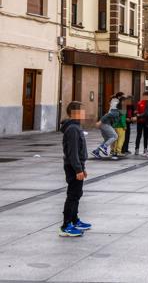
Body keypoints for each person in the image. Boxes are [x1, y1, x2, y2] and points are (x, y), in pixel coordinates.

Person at [59, 101, 92, 237]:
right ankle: (66, 225)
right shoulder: (72, 129)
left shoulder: (76, 127)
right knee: (73, 195)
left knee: (77, 194)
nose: (84, 114)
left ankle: (74, 220)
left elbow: (78, 151)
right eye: (81, 111)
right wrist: (78, 169)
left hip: (77, 165)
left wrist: (82, 168)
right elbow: (72, 153)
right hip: (73, 167)